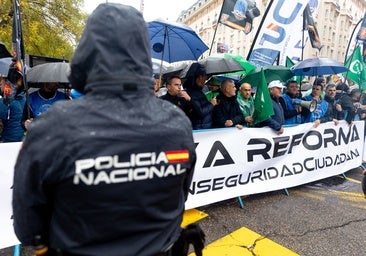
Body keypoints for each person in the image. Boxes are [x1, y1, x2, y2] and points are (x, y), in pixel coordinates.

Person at [13, 3, 201, 256]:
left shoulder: (53, 126)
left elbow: (28, 224)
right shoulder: (176, 123)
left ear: (85, 55)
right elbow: (180, 195)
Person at [185, 63, 218, 129]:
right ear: (200, 77)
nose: (205, 81)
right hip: (200, 128)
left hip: (203, 126)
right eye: (205, 78)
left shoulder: (197, 91)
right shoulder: (192, 92)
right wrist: (211, 104)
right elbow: (200, 112)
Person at [0, 61, 26, 142]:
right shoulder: (24, 98)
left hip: (8, 139)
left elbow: (2, 118)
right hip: (22, 139)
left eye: (1, 84)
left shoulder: (5, 100)